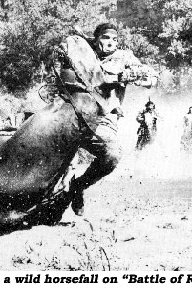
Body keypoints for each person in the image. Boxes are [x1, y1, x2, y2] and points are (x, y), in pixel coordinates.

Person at [49, 23, 158, 216]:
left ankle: (78, 187)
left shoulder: (123, 57)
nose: (111, 43)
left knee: (112, 156)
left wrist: (131, 75)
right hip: (69, 112)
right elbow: (59, 70)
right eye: (106, 38)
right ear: (97, 38)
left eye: (115, 39)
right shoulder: (82, 52)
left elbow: (152, 78)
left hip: (103, 118)